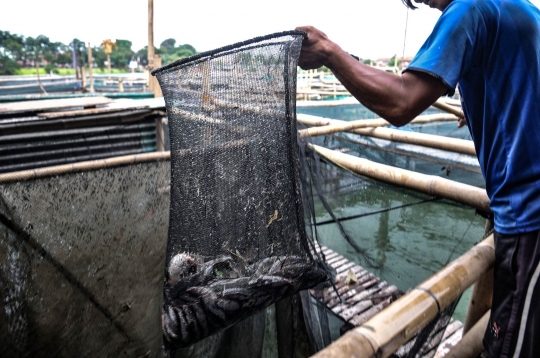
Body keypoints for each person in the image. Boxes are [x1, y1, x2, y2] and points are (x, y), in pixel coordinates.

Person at [297, 0, 540, 357]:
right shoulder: (519, 8)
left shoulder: (468, 9)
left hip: (530, 219)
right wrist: (475, 106)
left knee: (508, 348)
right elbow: (517, 85)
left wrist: (329, 53)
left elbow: (401, 101)